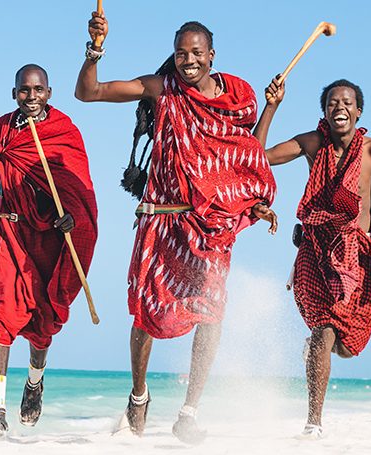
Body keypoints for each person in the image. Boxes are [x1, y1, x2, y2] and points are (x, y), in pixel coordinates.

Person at [75, 13, 278, 444]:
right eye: (181, 53)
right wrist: (95, 48)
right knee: (146, 315)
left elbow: (245, 154)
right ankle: (138, 393)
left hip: (210, 225)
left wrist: (255, 198)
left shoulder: (237, 98)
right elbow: (88, 92)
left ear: (212, 56)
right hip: (161, 218)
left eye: (197, 53)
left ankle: (189, 411)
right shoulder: (160, 89)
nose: (188, 60)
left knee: (212, 312)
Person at [0, 64, 98, 438]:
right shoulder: (3, 127)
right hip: (9, 229)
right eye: (24, 91)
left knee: (43, 321)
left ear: (49, 92)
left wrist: (71, 217)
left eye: (38, 90)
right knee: (2, 311)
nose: (31, 97)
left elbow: (77, 186)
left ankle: (34, 382)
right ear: (14, 94)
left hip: (48, 235)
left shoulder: (63, 131)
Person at [253, 76, 371, 439]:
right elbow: (256, 157)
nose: (340, 108)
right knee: (324, 330)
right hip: (313, 252)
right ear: (324, 111)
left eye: (347, 103)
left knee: (347, 346)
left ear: (358, 111)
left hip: (354, 258)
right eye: (333, 103)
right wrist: (271, 106)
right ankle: (313, 423)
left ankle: (319, 349)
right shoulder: (312, 144)